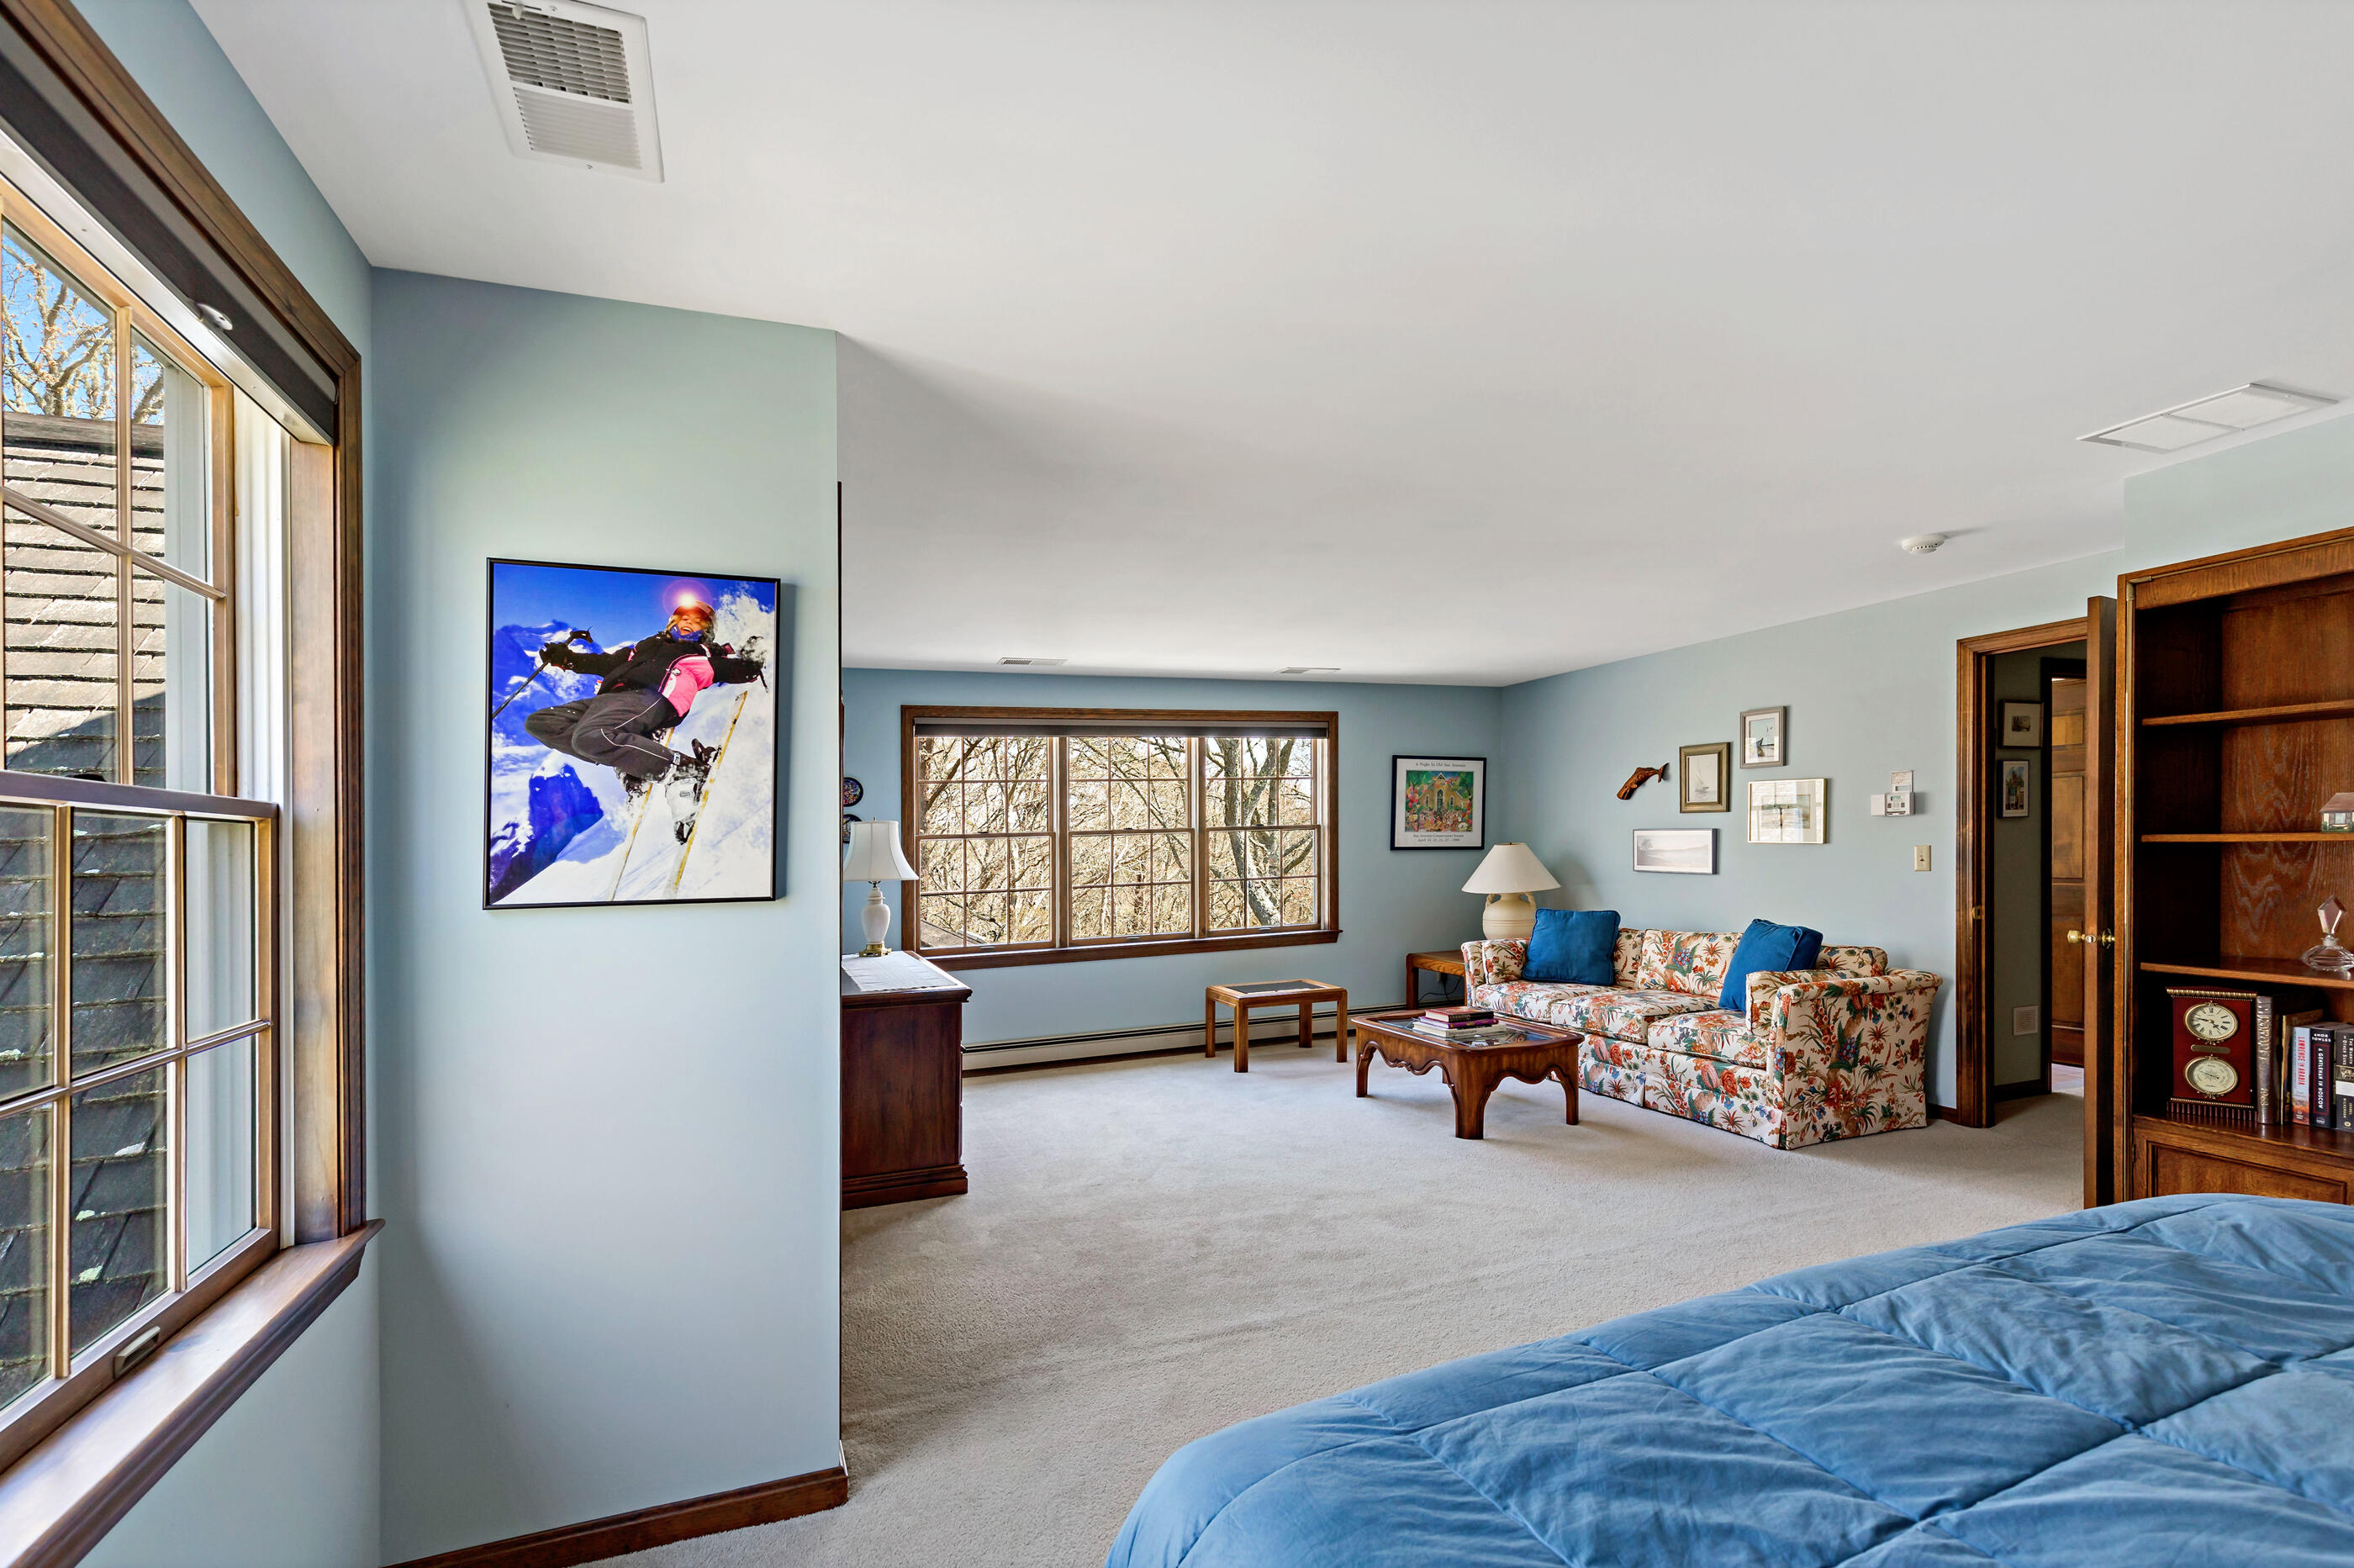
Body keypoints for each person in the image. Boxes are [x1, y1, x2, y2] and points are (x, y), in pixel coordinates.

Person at [524, 597, 765, 800]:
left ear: (706, 633)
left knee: (590, 737)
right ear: (673, 621)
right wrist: (569, 660)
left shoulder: (700, 656)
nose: (688, 623)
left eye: (697, 622)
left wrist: (754, 655)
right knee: (541, 722)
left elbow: (738, 670)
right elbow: (607, 663)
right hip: (608, 700)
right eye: (684, 618)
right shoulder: (644, 648)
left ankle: (685, 771)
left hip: (649, 698)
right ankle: (632, 759)